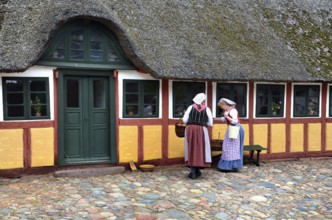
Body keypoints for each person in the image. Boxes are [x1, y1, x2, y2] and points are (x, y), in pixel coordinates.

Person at [182, 93, 213, 179]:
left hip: (190, 129)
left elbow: (184, 120)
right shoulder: (207, 109)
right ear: (204, 101)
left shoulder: (190, 107)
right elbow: (210, 123)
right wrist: (202, 122)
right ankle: (196, 169)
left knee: (191, 148)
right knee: (200, 149)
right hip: (201, 129)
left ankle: (193, 171)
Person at [216, 98, 244, 172]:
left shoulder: (233, 110)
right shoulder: (227, 111)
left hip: (235, 129)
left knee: (232, 148)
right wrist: (215, 119)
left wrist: (226, 117)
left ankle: (231, 166)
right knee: (228, 147)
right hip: (231, 129)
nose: (221, 108)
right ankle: (230, 166)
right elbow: (226, 119)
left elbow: (235, 121)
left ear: (225, 104)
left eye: (221, 106)